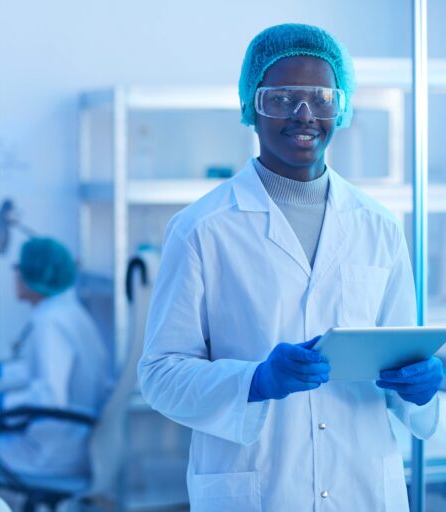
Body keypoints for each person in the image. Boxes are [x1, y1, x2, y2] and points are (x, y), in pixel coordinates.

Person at [138, 23, 443, 511]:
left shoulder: (379, 226)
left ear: (340, 108)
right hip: (258, 491)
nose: (304, 115)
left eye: (321, 98)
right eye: (281, 99)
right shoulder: (202, 228)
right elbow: (159, 374)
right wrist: (254, 381)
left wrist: (424, 387)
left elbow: (401, 360)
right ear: (250, 109)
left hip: (363, 488)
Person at [0, 237, 110, 480]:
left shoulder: (49, 322)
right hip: (75, 438)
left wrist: (1, 404)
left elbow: (50, 396)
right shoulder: (67, 312)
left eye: (19, 268)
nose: (16, 275)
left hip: (53, 449)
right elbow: (48, 370)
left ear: (35, 275)